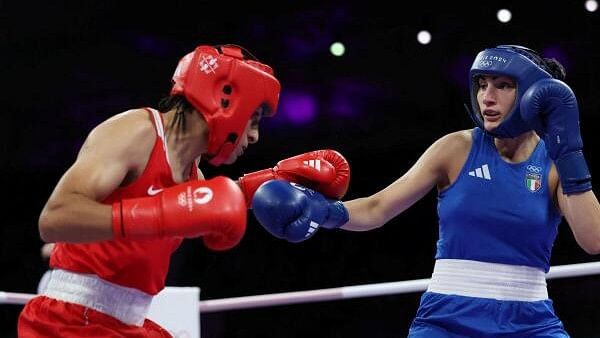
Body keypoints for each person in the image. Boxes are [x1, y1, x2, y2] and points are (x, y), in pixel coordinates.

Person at [251, 44, 600, 337]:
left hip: (530, 321)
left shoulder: (555, 162)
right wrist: (323, 211)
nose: (487, 98)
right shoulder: (456, 148)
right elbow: (377, 207)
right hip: (448, 318)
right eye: (481, 84)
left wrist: (570, 154)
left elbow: (592, 240)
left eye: (503, 85)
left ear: (534, 93)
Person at [18, 43, 350, 337]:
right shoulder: (137, 131)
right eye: (254, 119)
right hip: (69, 322)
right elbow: (54, 218)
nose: (254, 137)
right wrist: (156, 214)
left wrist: (268, 180)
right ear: (226, 99)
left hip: (124, 324)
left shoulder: (194, 177)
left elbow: (204, 203)